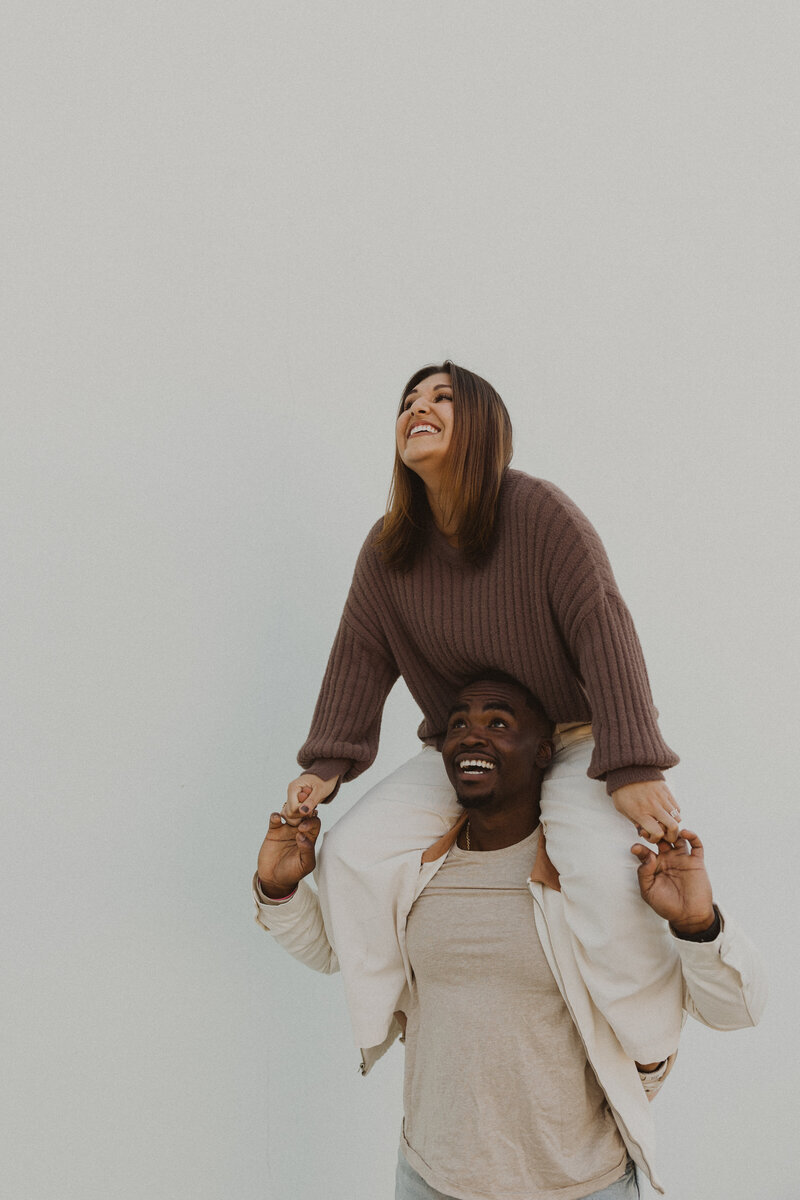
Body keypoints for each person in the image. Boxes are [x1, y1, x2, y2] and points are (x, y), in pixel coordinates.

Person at [282, 362, 686, 1063]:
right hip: (465, 748)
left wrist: (631, 763)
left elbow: (602, 624)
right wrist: (327, 763)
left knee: (598, 871)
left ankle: (648, 1053)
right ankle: (404, 1016)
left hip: (575, 736)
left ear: (484, 427)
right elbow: (359, 654)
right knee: (350, 855)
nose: (418, 408)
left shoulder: (538, 513)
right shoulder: (388, 550)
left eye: (441, 397)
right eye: (408, 402)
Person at [256, 674, 766, 1199]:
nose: (471, 736)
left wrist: (697, 925)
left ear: (545, 750)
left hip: (582, 1186)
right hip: (431, 1178)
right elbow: (341, 954)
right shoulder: (412, 871)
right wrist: (278, 888)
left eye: (498, 722)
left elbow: (736, 1011)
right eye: (457, 724)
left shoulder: (599, 882)